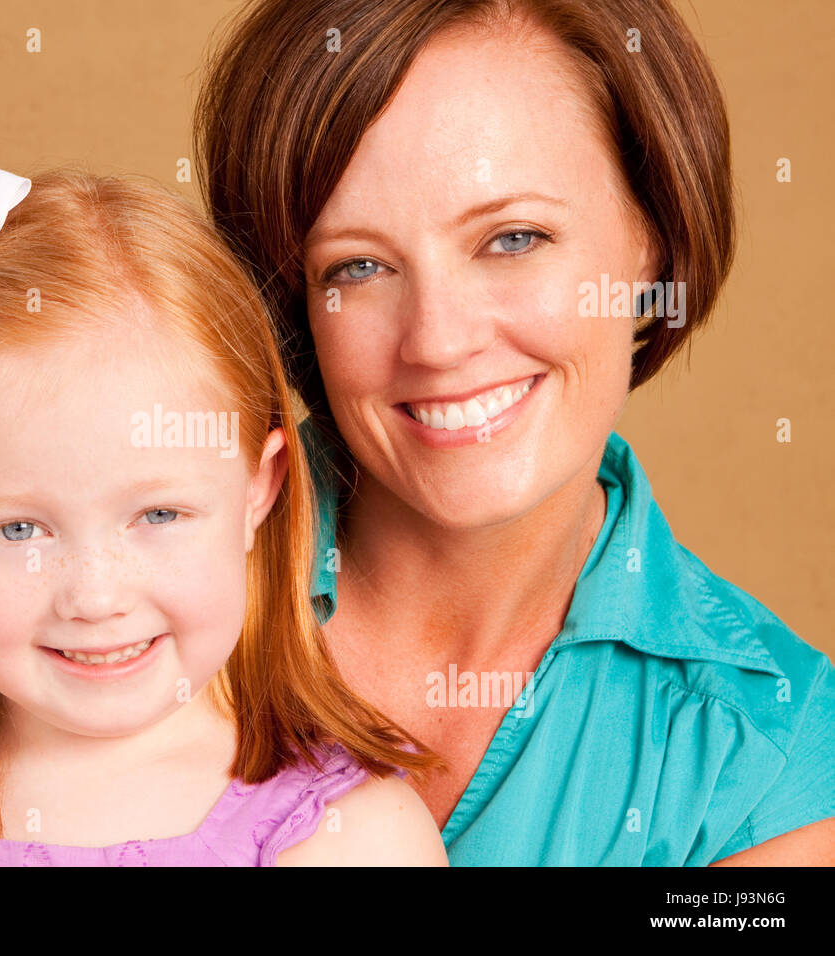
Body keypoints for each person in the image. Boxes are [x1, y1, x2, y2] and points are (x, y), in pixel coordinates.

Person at [194, 0, 835, 864]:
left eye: (513, 238)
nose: (439, 340)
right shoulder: (117, 581)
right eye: (360, 265)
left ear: (649, 238)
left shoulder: (767, 763)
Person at [0, 167, 448, 866]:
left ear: (258, 490)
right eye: (19, 529)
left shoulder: (351, 837)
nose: (94, 596)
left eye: (158, 514)